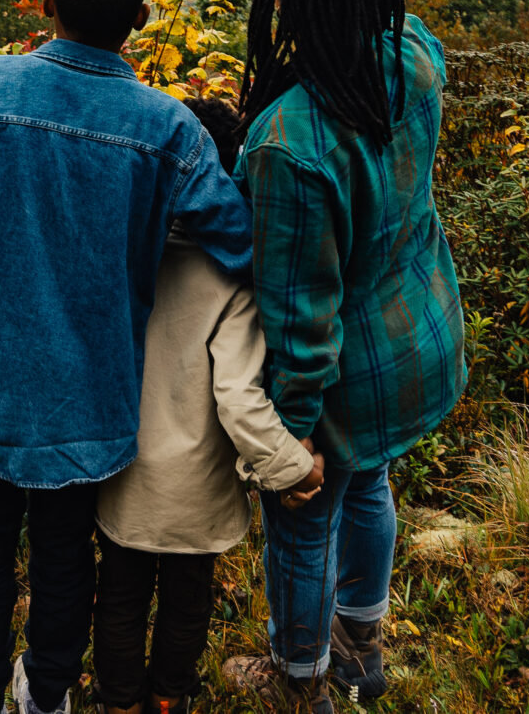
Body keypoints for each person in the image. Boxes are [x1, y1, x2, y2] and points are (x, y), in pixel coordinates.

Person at [0, 0, 256, 714]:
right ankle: (49, 693)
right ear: (139, 18)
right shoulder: (169, 130)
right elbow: (238, 237)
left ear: (46, 5)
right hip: (90, 398)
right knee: (66, 555)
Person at [222, 0, 467, 713]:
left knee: (303, 518)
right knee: (369, 485)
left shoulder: (287, 141)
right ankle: (362, 647)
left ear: (286, 1)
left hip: (346, 378)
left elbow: (301, 319)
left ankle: (300, 679)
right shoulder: (415, 60)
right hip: (418, 337)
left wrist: (289, 439)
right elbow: (420, 28)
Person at [92, 96, 326, 714]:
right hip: (196, 484)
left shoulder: (121, 254)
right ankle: (170, 698)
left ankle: (119, 702)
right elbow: (237, 396)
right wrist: (292, 468)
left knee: (119, 595)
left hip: (123, 468)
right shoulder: (232, 277)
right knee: (186, 598)